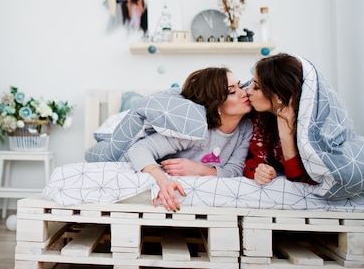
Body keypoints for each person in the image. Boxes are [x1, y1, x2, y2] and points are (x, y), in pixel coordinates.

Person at [123, 67, 253, 211]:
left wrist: (199, 169)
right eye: (232, 92)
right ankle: (129, 98)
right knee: (131, 102)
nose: (244, 93)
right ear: (216, 104)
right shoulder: (195, 129)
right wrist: (162, 179)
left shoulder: (246, 127)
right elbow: (138, 149)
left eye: (241, 86)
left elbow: (235, 170)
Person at [244, 53, 316, 185]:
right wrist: (259, 171)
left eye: (257, 87)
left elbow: (302, 180)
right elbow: (251, 160)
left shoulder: (308, 123)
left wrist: (286, 138)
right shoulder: (259, 115)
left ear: (279, 97)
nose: (248, 91)